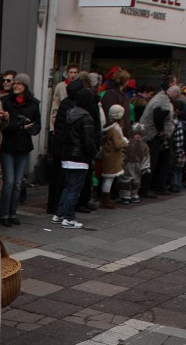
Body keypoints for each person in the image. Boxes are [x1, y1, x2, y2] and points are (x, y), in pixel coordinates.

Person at [0, 72, 41, 226]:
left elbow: (38, 125)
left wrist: (31, 128)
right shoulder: (5, 101)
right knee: (9, 182)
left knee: (18, 183)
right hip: (8, 146)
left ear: (25, 86)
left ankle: (13, 212)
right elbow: (3, 126)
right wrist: (19, 125)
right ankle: (4, 215)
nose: (15, 85)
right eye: (14, 83)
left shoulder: (33, 103)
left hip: (23, 146)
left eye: (19, 83)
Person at [53, 87, 97, 230]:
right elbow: (88, 140)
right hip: (80, 158)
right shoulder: (86, 118)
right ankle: (69, 218)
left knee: (67, 187)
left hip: (67, 155)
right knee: (74, 189)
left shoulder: (69, 114)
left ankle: (59, 214)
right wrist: (94, 153)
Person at [141, 83, 174, 195]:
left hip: (153, 135)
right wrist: (161, 131)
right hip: (152, 135)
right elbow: (158, 117)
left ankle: (154, 186)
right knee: (151, 162)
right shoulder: (162, 101)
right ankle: (145, 188)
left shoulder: (161, 99)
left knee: (156, 161)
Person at [100, 104, 128, 208]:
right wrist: (125, 143)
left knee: (107, 178)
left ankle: (104, 199)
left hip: (107, 154)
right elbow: (117, 144)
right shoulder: (115, 129)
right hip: (113, 156)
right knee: (109, 178)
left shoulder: (108, 127)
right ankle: (105, 200)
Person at [120, 122, 150, 205]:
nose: (138, 136)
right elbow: (122, 153)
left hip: (137, 164)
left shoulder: (144, 145)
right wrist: (121, 162)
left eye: (140, 134)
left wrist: (145, 167)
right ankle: (125, 193)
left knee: (136, 180)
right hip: (127, 164)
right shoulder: (128, 143)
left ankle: (134, 193)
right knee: (126, 179)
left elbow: (146, 156)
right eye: (136, 134)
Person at [100, 68, 131, 137]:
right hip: (114, 132)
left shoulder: (122, 94)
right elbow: (108, 112)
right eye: (127, 79)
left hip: (120, 131)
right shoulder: (111, 94)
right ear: (124, 80)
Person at [50, 62, 79, 130]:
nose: (73, 75)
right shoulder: (60, 86)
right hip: (62, 117)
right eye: (71, 72)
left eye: (75, 72)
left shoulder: (81, 87)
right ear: (67, 73)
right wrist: (53, 119)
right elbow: (55, 103)